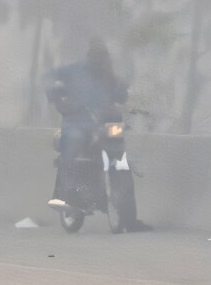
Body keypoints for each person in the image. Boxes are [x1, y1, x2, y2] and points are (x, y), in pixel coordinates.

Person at [45, 39, 150, 230]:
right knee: (75, 145)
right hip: (77, 123)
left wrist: (128, 97)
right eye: (96, 56)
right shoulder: (74, 71)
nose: (100, 61)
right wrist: (58, 98)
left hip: (105, 125)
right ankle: (72, 195)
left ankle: (130, 220)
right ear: (89, 56)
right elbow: (51, 78)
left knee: (122, 164)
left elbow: (121, 94)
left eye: (103, 57)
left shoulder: (107, 75)